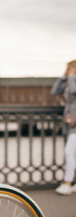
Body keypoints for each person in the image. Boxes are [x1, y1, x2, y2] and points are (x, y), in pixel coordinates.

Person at [51, 60, 76, 195]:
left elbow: (74, 91)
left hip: (74, 123)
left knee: (69, 152)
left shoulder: (73, 82)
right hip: (70, 122)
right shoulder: (69, 81)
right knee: (73, 153)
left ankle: (67, 183)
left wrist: (72, 76)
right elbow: (54, 91)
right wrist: (63, 77)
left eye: (68, 68)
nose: (66, 71)